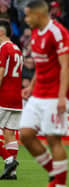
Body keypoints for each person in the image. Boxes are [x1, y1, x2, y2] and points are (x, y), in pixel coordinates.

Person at [20, 1, 69, 187]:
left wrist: (61, 96)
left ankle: (60, 184)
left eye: (28, 15)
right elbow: (41, 65)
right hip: (39, 93)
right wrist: (31, 86)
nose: (26, 19)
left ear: (38, 15)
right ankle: (54, 174)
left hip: (55, 94)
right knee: (25, 134)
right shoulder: (35, 33)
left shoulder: (57, 32)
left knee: (53, 139)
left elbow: (66, 66)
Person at [0, 19, 21, 180]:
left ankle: (8, 160)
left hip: (4, 95)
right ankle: (11, 173)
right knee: (10, 134)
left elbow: (1, 73)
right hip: (16, 98)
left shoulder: (3, 48)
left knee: (8, 134)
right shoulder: (17, 48)